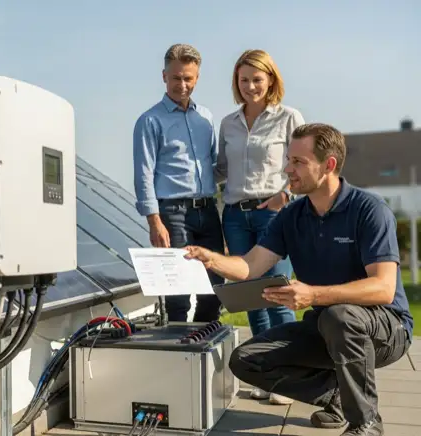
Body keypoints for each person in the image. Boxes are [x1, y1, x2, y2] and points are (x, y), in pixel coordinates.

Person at [184, 123, 413, 436]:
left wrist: (314, 296)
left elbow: (384, 289)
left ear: (328, 165)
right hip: (327, 325)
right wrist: (211, 259)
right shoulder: (291, 216)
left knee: (339, 315)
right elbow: (250, 267)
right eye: (288, 160)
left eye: (298, 162)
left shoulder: (368, 211)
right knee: (246, 360)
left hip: (386, 328)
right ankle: (337, 395)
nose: (287, 169)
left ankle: (366, 422)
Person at [214, 49, 305, 405]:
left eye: (257, 79)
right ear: (236, 83)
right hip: (235, 215)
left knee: (278, 295)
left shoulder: (288, 117)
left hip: (274, 214)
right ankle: (264, 375)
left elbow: (302, 162)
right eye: (243, 79)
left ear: (270, 80)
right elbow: (220, 168)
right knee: (252, 298)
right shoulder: (228, 123)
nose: (250, 86)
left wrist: (287, 194)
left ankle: (288, 375)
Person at [132, 43, 225, 323]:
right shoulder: (149, 121)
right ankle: (178, 350)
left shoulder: (206, 118)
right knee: (178, 294)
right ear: (164, 76)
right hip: (173, 214)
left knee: (215, 288)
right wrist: (154, 221)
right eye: (176, 78)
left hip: (208, 211)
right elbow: (143, 174)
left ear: (196, 78)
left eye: (188, 78)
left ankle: (199, 343)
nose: (182, 84)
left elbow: (212, 166)